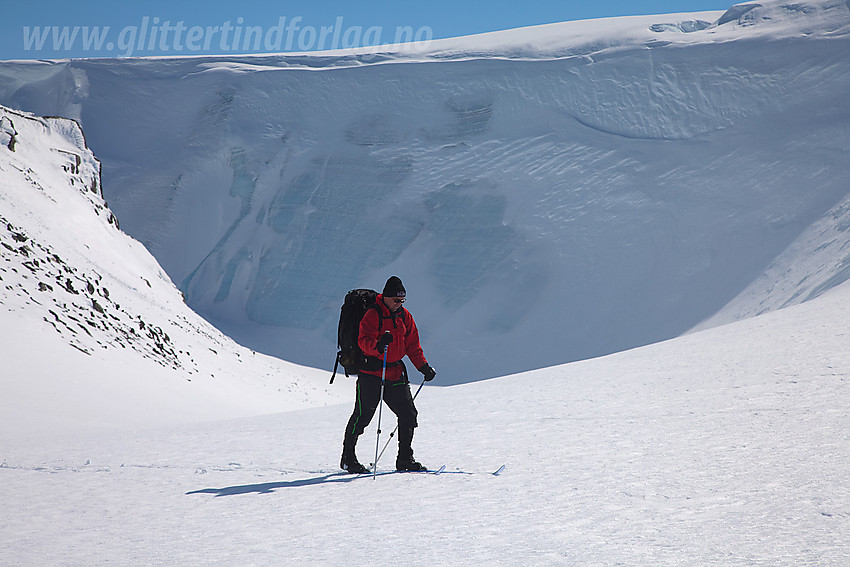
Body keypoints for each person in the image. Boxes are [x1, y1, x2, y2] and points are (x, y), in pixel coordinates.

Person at [340, 276, 437, 473]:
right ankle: (348, 457)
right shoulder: (372, 314)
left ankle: (405, 459)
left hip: (394, 373)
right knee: (362, 416)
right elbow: (362, 341)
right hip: (371, 373)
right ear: (385, 297)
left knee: (408, 414)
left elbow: (413, 346)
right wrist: (377, 346)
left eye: (402, 300)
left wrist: (423, 367)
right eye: (396, 300)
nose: (399, 304)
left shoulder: (405, 316)